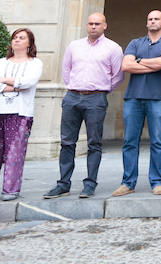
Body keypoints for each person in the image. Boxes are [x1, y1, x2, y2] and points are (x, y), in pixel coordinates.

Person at [44, 13, 123, 200]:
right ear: (86, 25)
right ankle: (63, 184)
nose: (93, 26)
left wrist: (100, 90)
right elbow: (66, 69)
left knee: (94, 143)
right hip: (72, 97)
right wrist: (76, 87)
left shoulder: (113, 48)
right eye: (90, 23)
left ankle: (90, 184)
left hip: (96, 98)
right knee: (67, 142)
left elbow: (118, 76)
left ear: (105, 26)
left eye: (97, 23)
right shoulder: (74, 46)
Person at [112, 10, 161, 197]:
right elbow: (126, 66)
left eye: (156, 19)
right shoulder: (135, 43)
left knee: (158, 141)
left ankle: (157, 181)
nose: (153, 21)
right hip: (133, 97)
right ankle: (128, 182)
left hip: (158, 98)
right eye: (150, 19)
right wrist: (152, 64)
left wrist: (139, 61)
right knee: (129, 141)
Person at [0, 28, 43, 202]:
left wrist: (4, 81)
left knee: (15, 151)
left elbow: (29, 82)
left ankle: (11, 189)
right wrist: (15, 86)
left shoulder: (35, 63)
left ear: (29, 43)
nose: (17, 40)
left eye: (21, 38)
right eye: (15, 38)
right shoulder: (0, 63)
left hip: (20, 112)